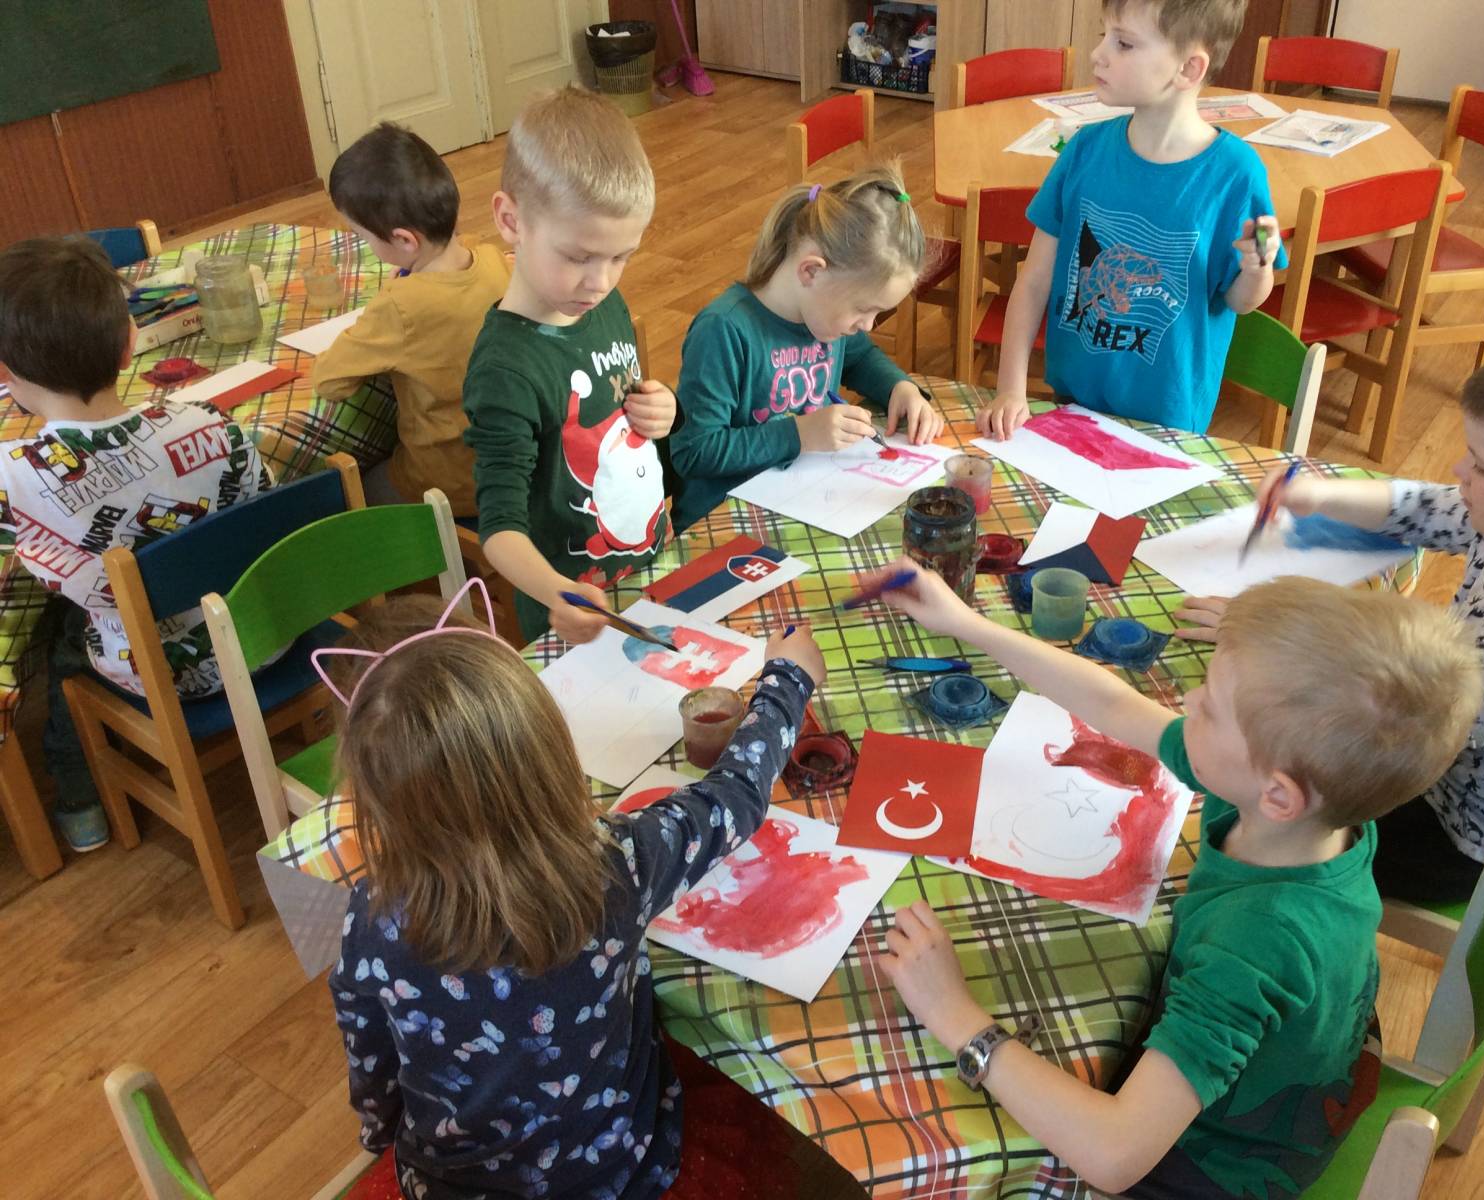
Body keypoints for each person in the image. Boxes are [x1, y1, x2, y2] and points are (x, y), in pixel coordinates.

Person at [862, 560, 1481, 1197]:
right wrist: (965, 623)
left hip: (1227, 1168)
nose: (1187, 703)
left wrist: (956, 1016)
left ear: (1279, 794)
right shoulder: (1312, 814)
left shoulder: (1258, 941)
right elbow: (1111, 702)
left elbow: (1113, 1154)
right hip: (1291, 1073)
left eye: (1209, 708)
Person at [321, 585, 865, 1200]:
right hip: (617, 1175)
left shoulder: (371, 920)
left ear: (374, 798)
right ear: (550, 748)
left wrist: (382, 1139)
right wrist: (788, 678)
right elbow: (734, 797)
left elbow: (375, 1080)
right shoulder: (616, 866)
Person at [1179, 332, 1484, 904]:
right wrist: (1320, 498)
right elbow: (1422, 508)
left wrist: (1277, 634)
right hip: (1422, 753)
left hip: (1451, 831)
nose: (1458, 470)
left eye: (1480, 467)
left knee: (1248, 793)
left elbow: (1397, 726)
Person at [0, 237, 272, 850]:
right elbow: (264, 510)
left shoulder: (13, 477)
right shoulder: (212, 422)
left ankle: (81, 802)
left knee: (68, 635)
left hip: (166, 674)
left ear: (4, 372)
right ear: (129, 344)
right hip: (264, 631)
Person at [977, 0, 1282, 441]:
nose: (1098, 54)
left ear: (1188, 69)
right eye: (1103, 35)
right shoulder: (1084, 150)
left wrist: (1258, 269)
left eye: (1123, 43)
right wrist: (1010, 389)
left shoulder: (1237, 173)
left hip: (1169, 426)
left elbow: (1240, 301)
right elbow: (1034, 281)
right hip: (1071, 403)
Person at [463, 87, 676, 643]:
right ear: (510, 220)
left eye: (621, 257)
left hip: (652, 568)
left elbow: (624, 412)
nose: (600, 281)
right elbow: (500, 528)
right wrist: (556, 592)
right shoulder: (505, 370)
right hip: (574, 614)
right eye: (578, 257)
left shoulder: (601, 304)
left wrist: (663, 408)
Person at [670, 164, 941, 528]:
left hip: (801, 502)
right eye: (864, 309)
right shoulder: (724, 330)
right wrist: (799, 434)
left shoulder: (822, 316)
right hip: (724, 522)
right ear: (811, 271)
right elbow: (694, 451)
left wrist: (899, 388)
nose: (868, 325)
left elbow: (860, 358)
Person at [312, 121, 511, 517]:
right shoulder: (494, 262)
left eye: (364, 237)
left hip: (449, 484)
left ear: (404, 240)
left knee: (349, 494)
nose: (367, 245)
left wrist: (388, 300)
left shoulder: (400, 306)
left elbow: (329, 381)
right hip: (514, 467)